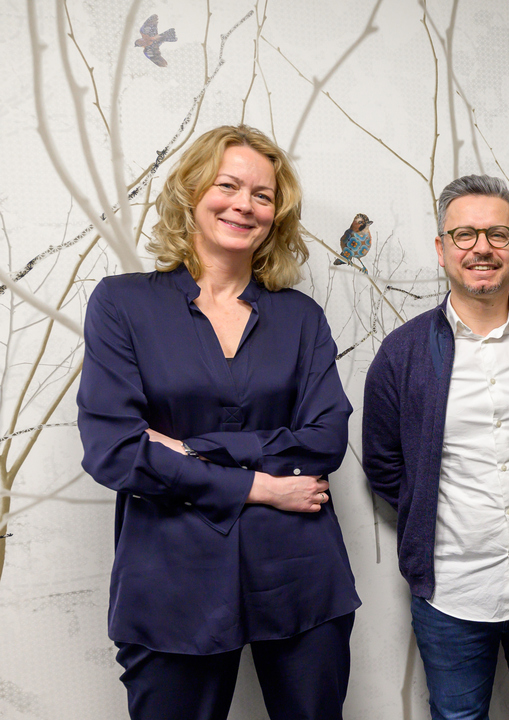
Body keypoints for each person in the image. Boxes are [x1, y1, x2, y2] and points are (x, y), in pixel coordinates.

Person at [77, 124, 360, 720]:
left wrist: (189, 449)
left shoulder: (301, 317)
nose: (244, 205)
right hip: (172, 581)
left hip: (299, 574)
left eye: (262, 195)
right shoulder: (122, 304)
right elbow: (114, 452)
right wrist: (261, 486)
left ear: (276, 215)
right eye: (227, 185)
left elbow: (326, 439)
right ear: (192, 192)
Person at [362, 175, 509, 720]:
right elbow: (384, 464)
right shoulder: (402, 353)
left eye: (497, 234)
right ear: (441, 248)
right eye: (464, 235)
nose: (481, 248)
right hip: (451, 593)